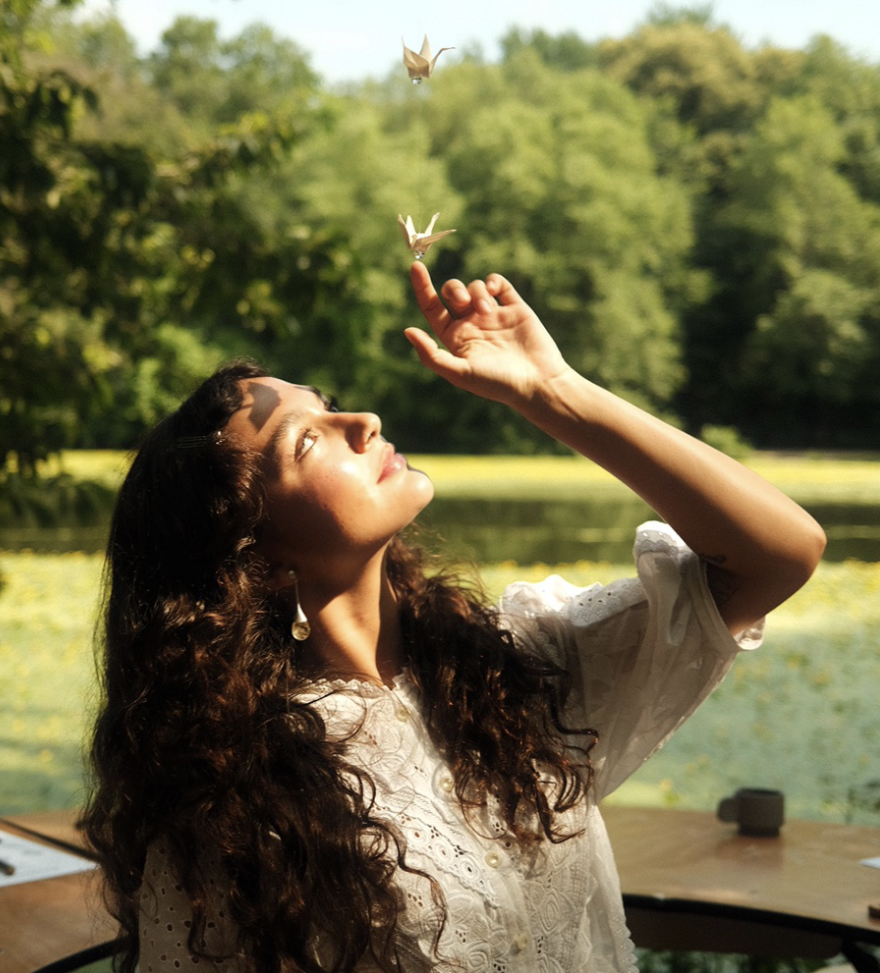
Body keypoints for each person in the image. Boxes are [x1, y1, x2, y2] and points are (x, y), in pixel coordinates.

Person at [82, 262, 825, 973]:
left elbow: (778, 554)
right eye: (306, 441)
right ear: (257, 565)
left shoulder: (517, 670)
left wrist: (553, 391)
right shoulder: (231, 806)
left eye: (328, 402)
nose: (363, 419)